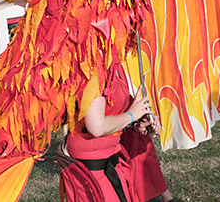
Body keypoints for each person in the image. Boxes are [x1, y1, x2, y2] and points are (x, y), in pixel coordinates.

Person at [59, 63, 155, 202]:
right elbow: (96, 127)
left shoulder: (115, 62)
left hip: (111, 160)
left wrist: (136, 124)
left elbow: (108, 112)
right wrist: (131, 115)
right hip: (92, 171)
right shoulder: (93, 66)